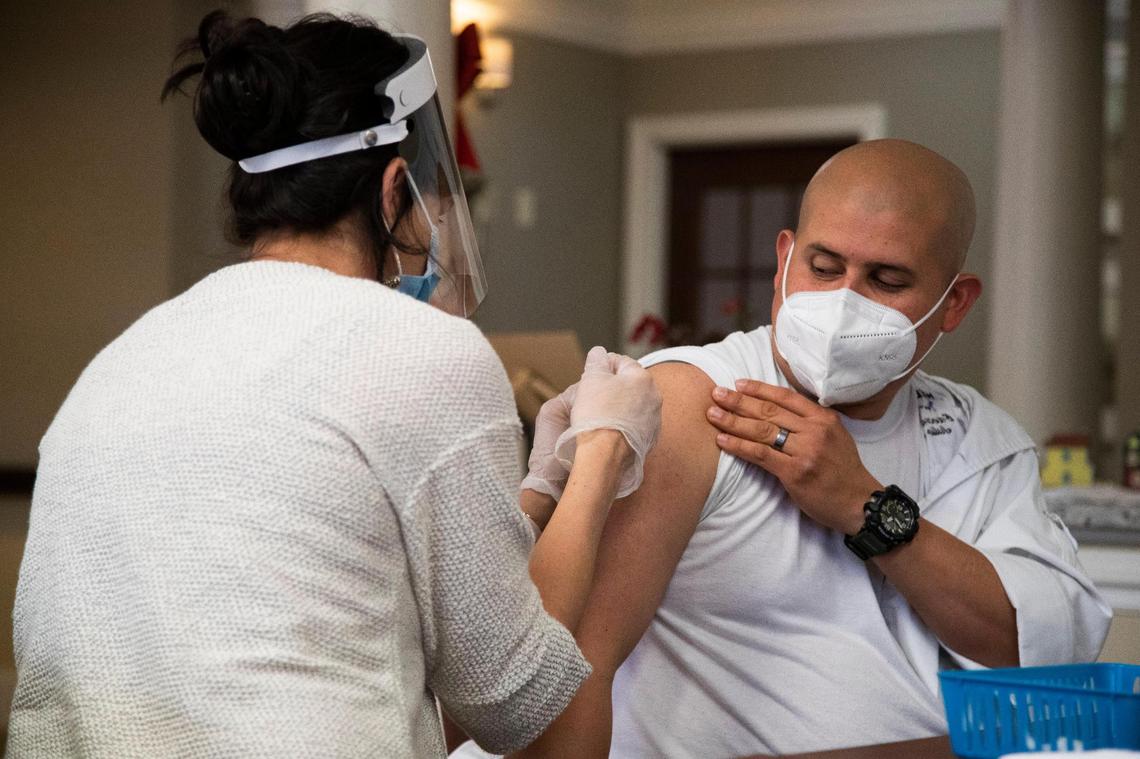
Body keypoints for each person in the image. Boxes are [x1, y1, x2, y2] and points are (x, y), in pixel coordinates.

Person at [6, 12, 660, 759]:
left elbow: (326, 561)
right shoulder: (426, 351)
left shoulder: (123, 358)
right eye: (432, 194)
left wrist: (542, 484)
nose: (438, 216)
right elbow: (512, 700)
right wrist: (604, 451)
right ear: (392, 189)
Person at [513, 139, 1113, 758]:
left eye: (887, 280)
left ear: (953, 302)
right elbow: (572, 670)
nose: (844, 301)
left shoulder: (977, 439)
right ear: (785, 259)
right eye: (824, 268)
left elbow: (1033, 647)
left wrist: (866, 506)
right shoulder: (690, 404)